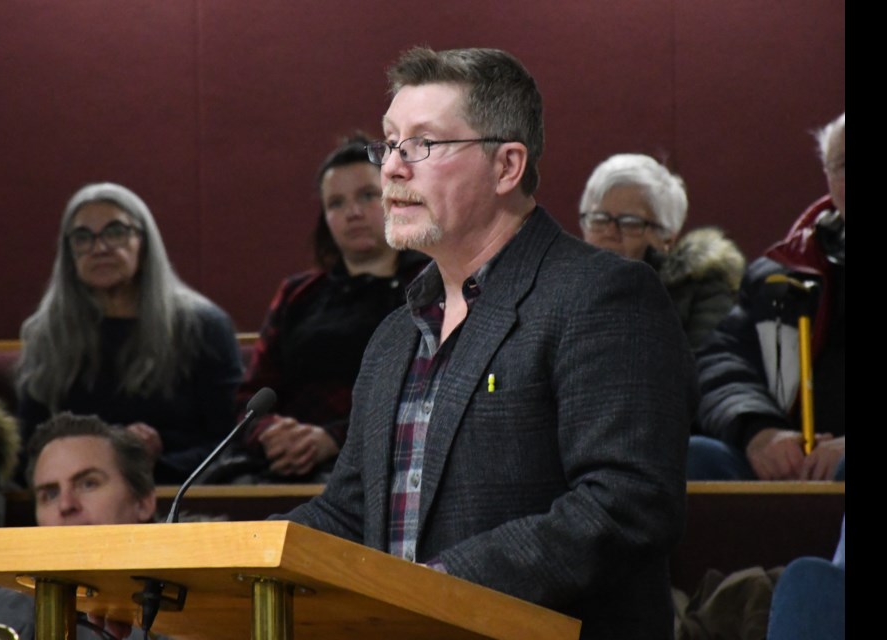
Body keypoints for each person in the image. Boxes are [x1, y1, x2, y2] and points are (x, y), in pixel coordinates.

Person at [282, 47, 696, 639]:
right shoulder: (397, 333)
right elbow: (350, 513)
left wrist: (436, 586)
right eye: (390, 143)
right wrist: (229, 560)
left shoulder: (602, 295)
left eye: (422, 144)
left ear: (506, 167)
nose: (393, 169)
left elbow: (627, 505)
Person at [16, 182, 244, 484]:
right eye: (82, 237)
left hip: (177, 488)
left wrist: (145, 462)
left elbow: (230, 440)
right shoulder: (46, 335)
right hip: (73, 496)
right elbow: (29, 449)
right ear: (68, 254)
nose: (99, 248)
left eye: (115, 232)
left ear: (145, 242)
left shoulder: (202, 327)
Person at [235, 135, 427, 481]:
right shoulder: (298, 293)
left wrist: (335, 439)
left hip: (393, 465)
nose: (352, 213)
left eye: (368, 196)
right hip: (283, 466)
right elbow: (250, 395)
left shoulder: (434, 283)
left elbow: (432, 394)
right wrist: (269, 434)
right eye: (336, 203)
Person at [689, 113, 845, 480]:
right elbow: (718, 362)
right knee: (696, 458)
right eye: (842, 165)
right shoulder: (780, 274)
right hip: (793, 459)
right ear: (827, 177)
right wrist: (760, 431)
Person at [0, 413, 157, 639]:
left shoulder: (192, 624)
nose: (66, 505)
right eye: (50, 494)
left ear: (144, 501)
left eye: (88, 483)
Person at [579, 153, 745, 348]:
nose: (609, 232)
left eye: (630, 223)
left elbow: (709, 369)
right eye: (598, 219)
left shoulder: (703, 293)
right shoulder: (558, 293)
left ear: (667, 238)